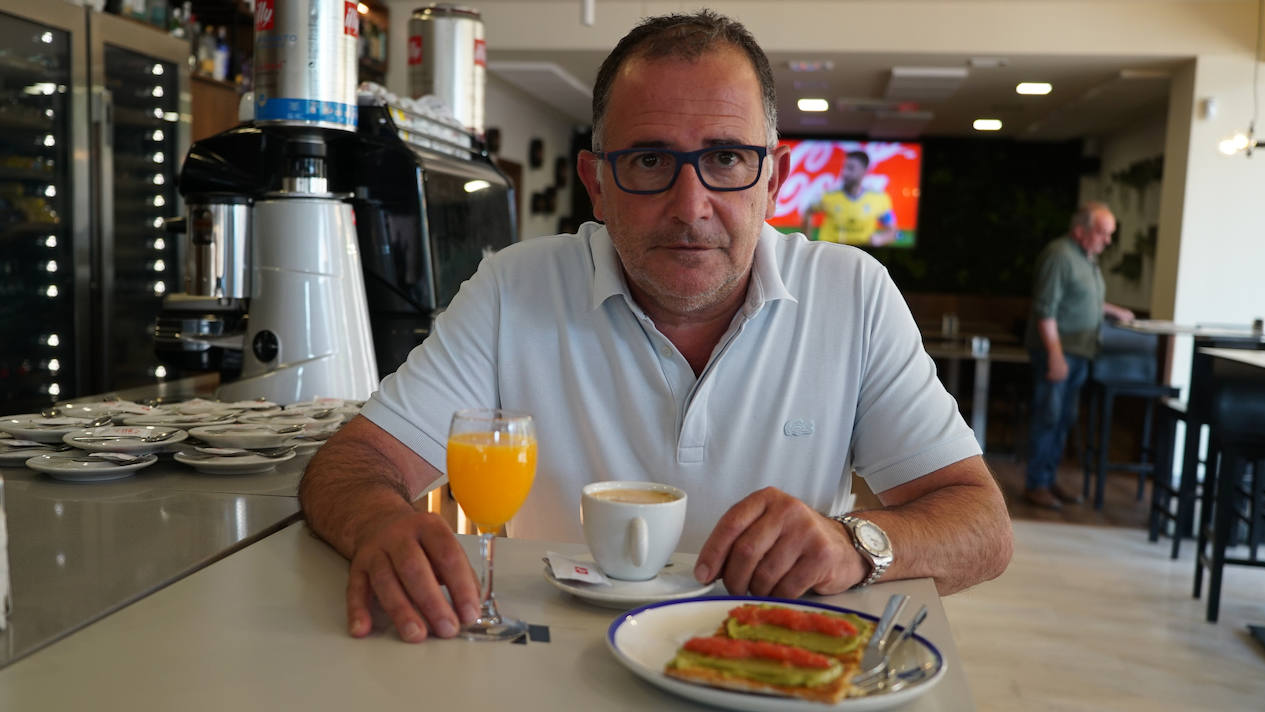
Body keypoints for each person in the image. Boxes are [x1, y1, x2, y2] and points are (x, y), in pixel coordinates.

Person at [300, 11, 1012, 643]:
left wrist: (857, 542)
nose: (690, 204)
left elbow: (982, 524)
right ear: (597, 183)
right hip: (556, 676)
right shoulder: (513, 288)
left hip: (768, 672)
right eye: (649, 160)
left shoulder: (852, 294)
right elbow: (352, 464)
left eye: (726, 158)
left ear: (775, 179)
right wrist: (380, 524)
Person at [1023, 202, 1135, 509]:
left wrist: (1115, 310)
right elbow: (1045, 309)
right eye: (1102, 232)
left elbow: (1082, 300)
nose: (1107, 240)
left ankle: (1048, 479)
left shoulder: (1086, 258)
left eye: (1110, 234)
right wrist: (1055, 356)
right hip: (1059, 353)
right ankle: (1035, 484)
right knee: (1048, 417)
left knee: (1063, 419)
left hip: (1080, 352)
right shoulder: (1060, 255)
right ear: (1080, 230)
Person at [808, 150, 898, 247]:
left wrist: (880, 239)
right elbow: (808, 212)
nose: (845, 172)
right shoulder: (828, 195)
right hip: (831, 250)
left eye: (851, 168)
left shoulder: (879, 198)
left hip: (863, 252)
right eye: (844, 167)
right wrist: (808, 242)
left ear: (864, 171)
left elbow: (892, 231)